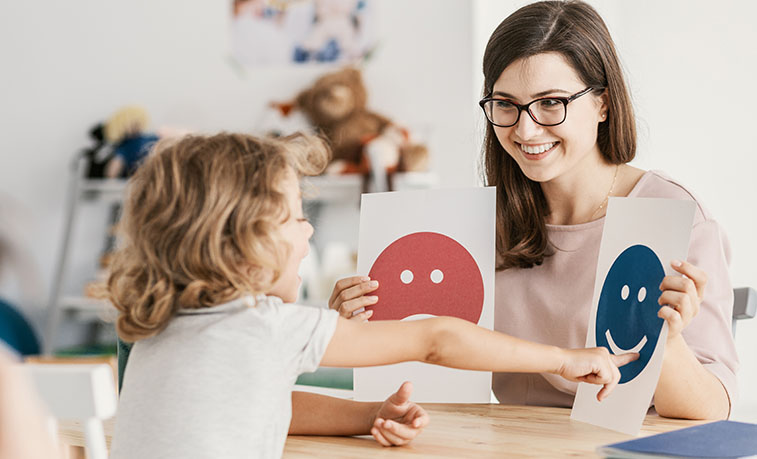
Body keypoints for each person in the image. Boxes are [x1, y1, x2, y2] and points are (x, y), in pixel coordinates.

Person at [106, 132, 633, 459]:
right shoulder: (263, 326)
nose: (308, 232)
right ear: (242, 245)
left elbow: (263, 402)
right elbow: (437, 338)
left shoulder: (161, 328)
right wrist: (564, 359)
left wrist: (370, 414)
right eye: (295, 218)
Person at [476, 0, 736, 419]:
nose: (525, 130)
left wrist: (665, 340)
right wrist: (371, 323)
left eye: (550, 102)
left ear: (603, 104)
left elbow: (711, 409)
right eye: (505, 104)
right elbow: (434, 361)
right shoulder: (482, 222)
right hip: (515, 443)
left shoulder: (671, 213)